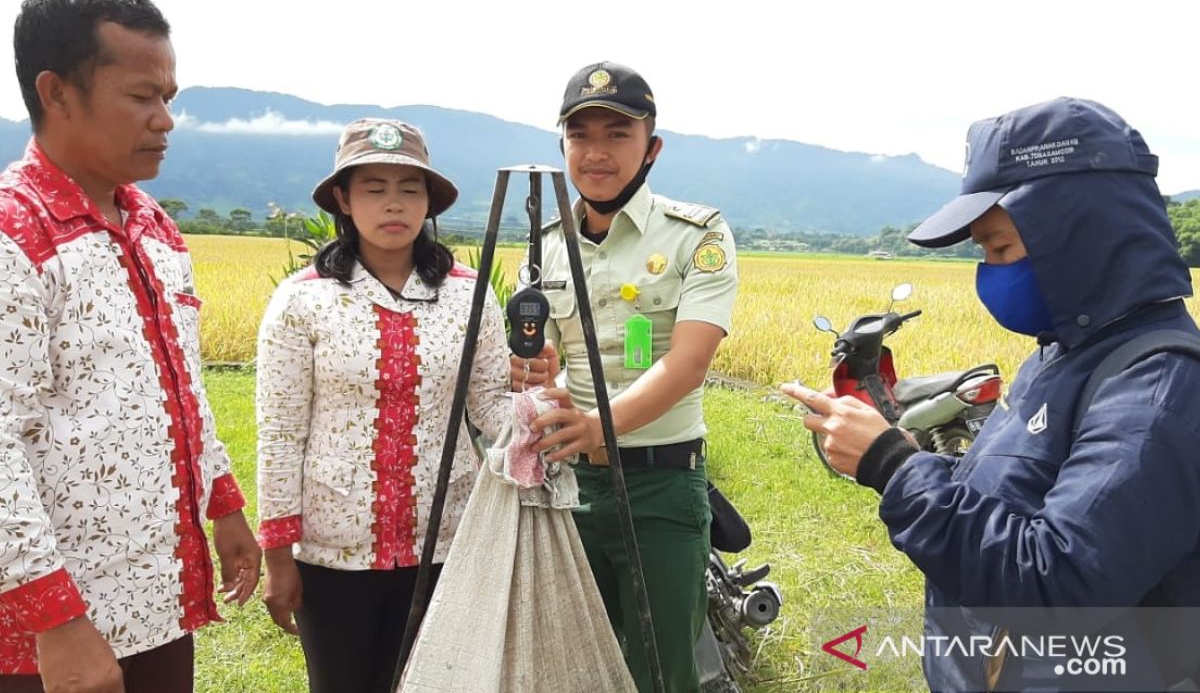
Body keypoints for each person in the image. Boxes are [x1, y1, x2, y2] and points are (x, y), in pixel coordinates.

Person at [783, 97, 1200, 691]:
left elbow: (1056, 583)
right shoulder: (1059, 358)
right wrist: (909, 452)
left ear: (1080, 235)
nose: (989, 272)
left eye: (1000, 248)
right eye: (983, 252)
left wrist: (893, 467)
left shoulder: (1157, 387)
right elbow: (1009, 503)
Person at [0, 0, 260, 693]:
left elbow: (182, 382)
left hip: (154, 602)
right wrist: (56, 621)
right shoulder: (15, 235)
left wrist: (225, 502)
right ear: (56, 93)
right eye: (143, 98)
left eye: (169, 98)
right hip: (48, 638)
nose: (165, 120)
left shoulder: (154, 227)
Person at [255, 118, 512, 693]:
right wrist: (277, 553)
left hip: (444, 543)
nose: (393, 204)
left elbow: (491, 405)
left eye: (409, 189)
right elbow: (280, 433)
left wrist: (542, 415)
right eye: (374, 188)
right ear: (344, 199)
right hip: (332, 553)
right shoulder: (303, 300)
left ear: (428, 202)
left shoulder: (468, 294)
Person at [512, 61, 739, 692]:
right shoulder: (546, 245)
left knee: (663, 672)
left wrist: (594, 426)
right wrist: (538, 380)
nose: (596, 152)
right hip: (571, 489)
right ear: (563, 145)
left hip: (661, 489)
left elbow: (688, 361)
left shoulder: (699, 234)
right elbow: (545, 365)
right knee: (575, 667)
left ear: (651, 149)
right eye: (580, 134)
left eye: (617, 133)